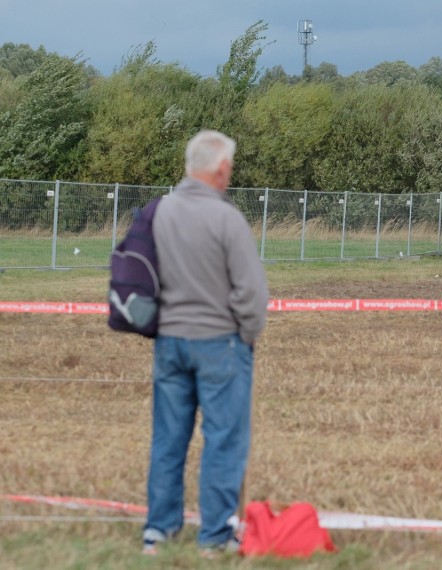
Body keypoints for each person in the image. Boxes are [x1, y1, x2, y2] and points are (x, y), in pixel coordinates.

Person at [142, 130, 269, 556]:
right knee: (224, 438)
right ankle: (214, 535)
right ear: (221, 169)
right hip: (220, 343)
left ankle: (158, 530)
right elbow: (250, 290)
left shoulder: (159, 212)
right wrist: (248, 333)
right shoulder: (226, 217)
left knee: (168, 437)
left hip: (169, 342)